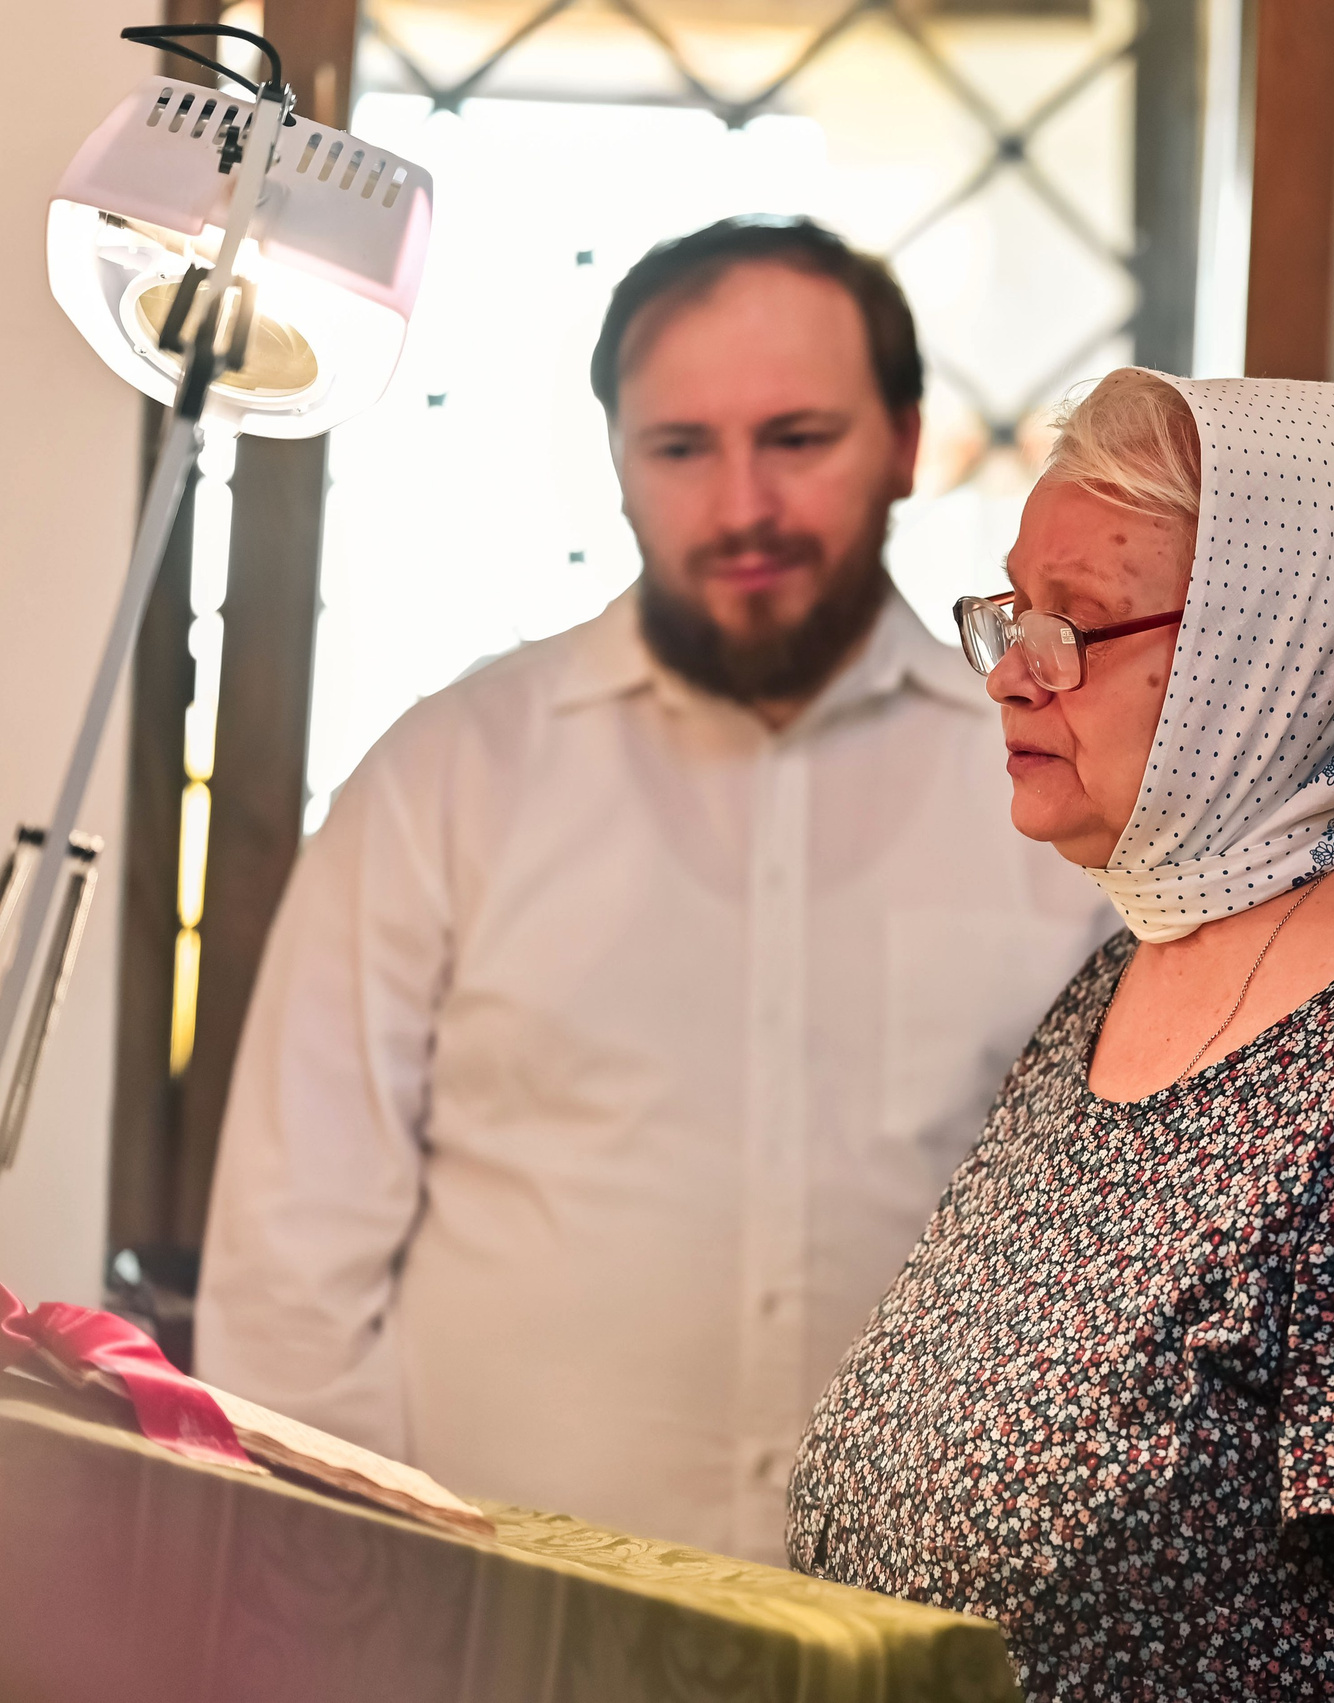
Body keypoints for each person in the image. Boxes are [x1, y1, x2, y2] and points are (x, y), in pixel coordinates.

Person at [194, 217, 1114, 1562]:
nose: (742, 504)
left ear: (908, 442)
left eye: (798, 438)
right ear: (619, 463)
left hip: (942, 1639)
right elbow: (291, 1266)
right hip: (496, 1632)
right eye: (680, 448)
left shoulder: (1053, 790)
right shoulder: (446, 774)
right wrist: (350, 1601)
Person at [788, 370, 1334, 1702]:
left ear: (1276, 645)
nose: (1013, 670)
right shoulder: (1128, 972)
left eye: (1075, 621)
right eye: (1013, 610)